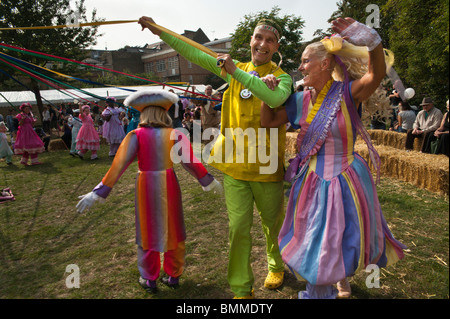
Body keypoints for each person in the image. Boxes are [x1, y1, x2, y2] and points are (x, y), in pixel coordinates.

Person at [139, 16, 293, 299]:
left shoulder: (281, 77)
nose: (263, 44)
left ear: (276, 47)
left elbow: (272, 99)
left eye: (270, 40)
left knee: (273, 224)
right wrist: (158, 29)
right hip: (234, 165)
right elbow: (193, 52)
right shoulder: (233, 69)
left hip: (267, 165)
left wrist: (235, 71)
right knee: (238, 229)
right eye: (258, 37)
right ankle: (241, 287)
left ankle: (276, 264)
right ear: (251, 40)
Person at [260, 17, 406, 299]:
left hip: (345, 178)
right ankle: (322, 284)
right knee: (315, 236)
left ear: (325, 64)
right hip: (312, 181)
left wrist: (372, 41)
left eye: (304, 61)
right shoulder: (298, 100)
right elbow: (268, 121)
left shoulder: (348, 93)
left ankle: (330, 280)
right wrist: (268, 94)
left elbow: (375, 75)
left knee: (339, 236)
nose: (300, 67)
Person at [76, 90, 223, 293]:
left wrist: (100, 191)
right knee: (174, 228)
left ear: (143, 114)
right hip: (169, 182)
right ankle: (173, 275)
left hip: (145, 185)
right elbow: (190, 161)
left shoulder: (135, 135)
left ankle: (150, 278)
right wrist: (207, 180)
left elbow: (118, 165)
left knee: (147, 230)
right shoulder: (176, 134)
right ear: (165, 113)